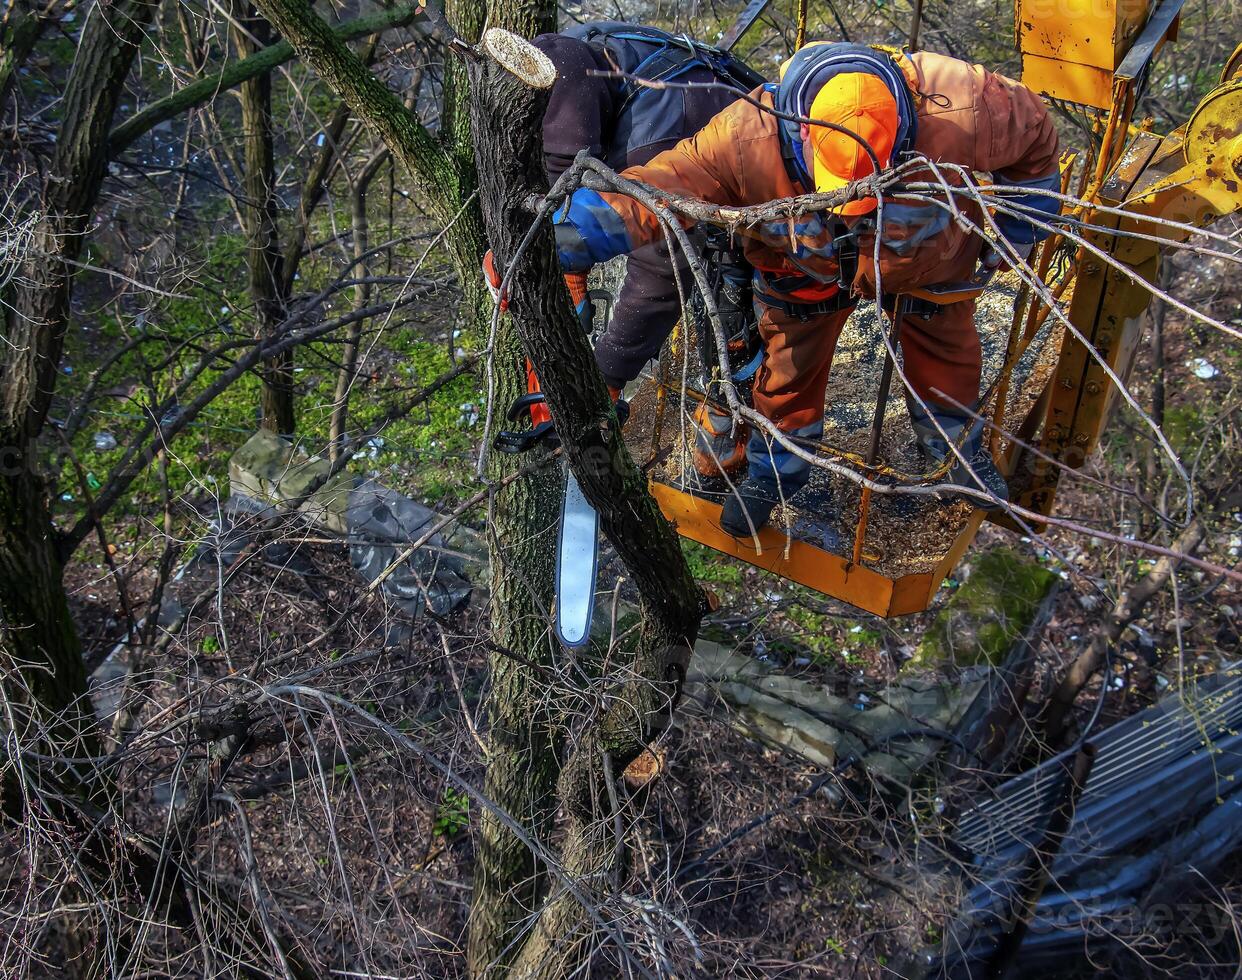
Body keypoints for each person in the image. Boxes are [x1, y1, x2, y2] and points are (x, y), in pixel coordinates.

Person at [550, 41, 1062, 536]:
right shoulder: (746, 136)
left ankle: (956, 456)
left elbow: (1038, 141)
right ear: (803, 142)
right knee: (788, 375)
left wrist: (1023, 229)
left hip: (930, 258)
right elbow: (663, 184)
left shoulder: (965, 104)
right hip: (804, 267)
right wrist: (569, 237)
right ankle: (775, 476)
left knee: (948, 352)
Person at [528, 23, 763, 418]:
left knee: (734, 327)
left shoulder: (649, 144)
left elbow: (664, 270)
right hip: (705, 175)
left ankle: (739, 432)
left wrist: (610, 370)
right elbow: (562, 182)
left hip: (762, 211)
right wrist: (564, 258)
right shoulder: (578, 56)